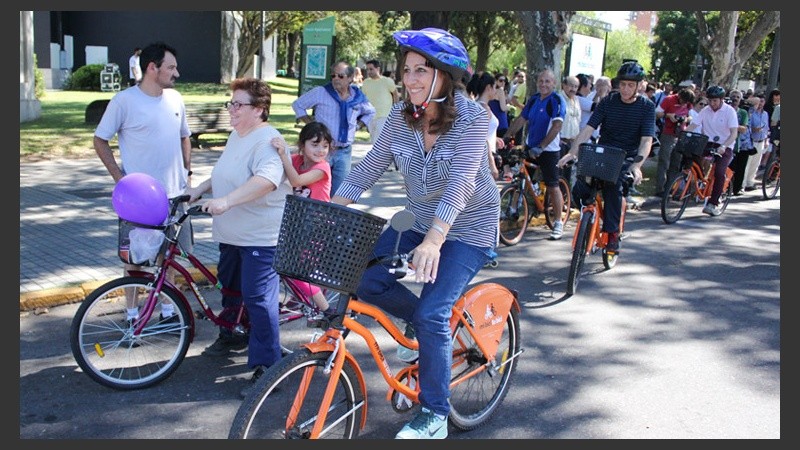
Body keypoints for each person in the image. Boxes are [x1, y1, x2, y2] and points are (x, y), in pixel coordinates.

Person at [331, 27, 499, 439]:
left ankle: (435, 415)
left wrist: (436, 239)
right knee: (365, 278)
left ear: (445, 74)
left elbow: (461, 182)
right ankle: (428, 330)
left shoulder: (475, 118)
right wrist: (331, 207)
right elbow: (369, 168)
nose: (411, 80)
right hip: (418, 219)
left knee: (432, 312)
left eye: (422, 70)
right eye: (407, 70)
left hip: (467, 228)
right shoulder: (402, 119)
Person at [185, 77, 292, 397]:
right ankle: (232, 333)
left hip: (261, 236)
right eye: (230, 103)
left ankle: (268, 366)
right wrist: (199, 190)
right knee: (231, 288)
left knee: (259, 299)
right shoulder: (237, 135)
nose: (231, 109)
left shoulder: (267, 139)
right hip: (232, 232)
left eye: (238, 104)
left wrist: (227, 201)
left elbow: (267, 181)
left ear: (259, 110)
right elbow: (224, 173)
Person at [94, 41, 192, 324]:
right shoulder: (124, 101)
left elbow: (185, 136)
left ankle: (168, 312)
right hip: (140, 200)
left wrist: (188, 174)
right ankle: (132, 314)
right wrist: (119, 179)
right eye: (171, 67)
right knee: (135, 260)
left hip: (174, 195)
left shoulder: (175, 99)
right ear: (153, 68)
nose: (176, 73)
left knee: (169, 258)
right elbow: (100, 139)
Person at [557, 61, 656, 254]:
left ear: (638, 86)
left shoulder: (646, 107)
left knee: (613, 188)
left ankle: (612, 234)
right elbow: (588, 129)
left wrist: (637, 166)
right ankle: (589, 216)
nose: (625, 89)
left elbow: (646, 140)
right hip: (603, 152)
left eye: (630, 85)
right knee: (580, 186)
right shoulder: (609, 101)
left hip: (626, 157)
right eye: (622, 84)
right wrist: (572, 152)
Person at [271, 121, 334, 314]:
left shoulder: (322, 168)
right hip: (297, 225)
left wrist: (282, 155)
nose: (320, 150)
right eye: (314, 145)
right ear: (302, 145)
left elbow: (296, 180)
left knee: (298, 271)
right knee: (288, 266)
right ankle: (300, 299)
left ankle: (329, 312)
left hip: (316, 226)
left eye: (325, 146)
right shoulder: (297, 161)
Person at [292, 61, 376, 195]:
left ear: (350, 78)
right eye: (333, 76)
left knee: (339, 194)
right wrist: (310, 125)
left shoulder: (358, 97)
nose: (336, 79)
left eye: (340, 76)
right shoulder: (321, 92)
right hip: (322, 151)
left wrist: (358, 126)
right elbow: (298, 105)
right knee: (316, 190)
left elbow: (371, 111)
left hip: (344, 151)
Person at [504, 68, 566, 240]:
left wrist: (542, 145)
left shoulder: (557, 100)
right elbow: (521, 120)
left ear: (554, 83)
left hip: (549, 150)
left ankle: (558, 222)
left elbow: (557, 126)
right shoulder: (533, 100)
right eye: (541, 81)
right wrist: (507, 135)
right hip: (530, 146)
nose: (543, 84)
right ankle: (513, 208)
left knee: (553, 185)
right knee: (521, 176)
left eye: (547, 81)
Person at [685, 85, 738, 216]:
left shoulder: (729, 111)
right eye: (710, 100)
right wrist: (684, 135)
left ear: (721, 100)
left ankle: (713, 203)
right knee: (689, 156)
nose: (712, 103)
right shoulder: (705, 110)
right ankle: (695, 182)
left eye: (715, 101)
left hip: (724, 145)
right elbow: (694, 125)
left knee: (720, 172)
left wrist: (724, 146)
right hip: (707, 142)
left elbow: (734, 133)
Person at [654, 87, 695, 195]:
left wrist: (685, 119)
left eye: (686, 103)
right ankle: (660, 188)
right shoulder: (669, 99)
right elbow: (657, 113)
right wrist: (669, 115)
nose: (683, 104)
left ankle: (671, 187)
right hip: (668, 134)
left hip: (681, 134)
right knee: (664, 161)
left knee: (676, 163)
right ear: (679, 96)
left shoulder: (688, 103)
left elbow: (691, 116)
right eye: (683, 101)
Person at [466, 71, 504, 180]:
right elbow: (482, 137)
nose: (496, 90)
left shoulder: (476, 106)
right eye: (494, 87)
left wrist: (494, 138)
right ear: (488, 88)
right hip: (484, 159)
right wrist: (492, 164)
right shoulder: (484, 109)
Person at [361, 59, 400, 144]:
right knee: (374, 140)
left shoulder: (387, 81)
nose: (369, 71)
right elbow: (363, 98)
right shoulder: (366, 82)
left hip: (384, 116)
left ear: (378, 69)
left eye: (371, 69)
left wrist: (395, 109)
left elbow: (395, 94)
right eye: (367, 69)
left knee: (380, 142)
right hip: (370, 116)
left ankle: (380, 157)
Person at [726, 90, 753, 195]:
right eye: (733, 96)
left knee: (733, 169)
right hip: (720, 142)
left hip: (735, 144)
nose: (735, 98)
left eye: (737, 97)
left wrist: (731, 126)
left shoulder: (743, 113)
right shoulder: (725, 110)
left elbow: (743, 129)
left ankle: (733, 189)